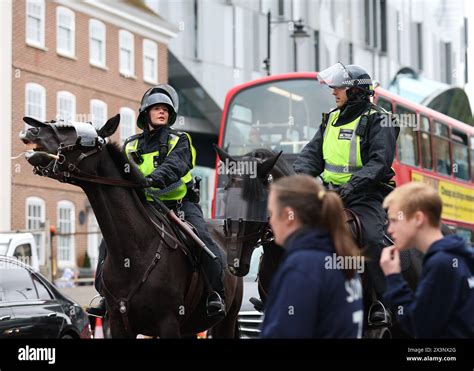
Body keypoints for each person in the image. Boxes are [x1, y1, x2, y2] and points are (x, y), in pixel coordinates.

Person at [87, 84, 226, 318]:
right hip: (144, 208)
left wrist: (150, 179)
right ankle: (104, 296)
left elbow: (176, 165)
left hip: (179, 206)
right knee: (108, 242)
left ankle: (216, 293)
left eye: (165, 109)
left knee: (202, 240)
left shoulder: (180, 140)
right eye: (156, 108)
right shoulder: (130, 144)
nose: (162, 112)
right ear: (146, 114)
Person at [293, 63, 399, 300]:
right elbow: (311, 155)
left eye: (339, 87)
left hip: (367, 196)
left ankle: (384, 301)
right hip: (328, 194)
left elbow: (379, 163)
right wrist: (300, 178)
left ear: (355, 92)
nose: (334, 92)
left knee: (372, 238)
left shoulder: (381, 120)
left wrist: (349, 188)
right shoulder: (330, 119)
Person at [260, 174, 363, 338]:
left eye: (271, 213)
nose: (269, 222)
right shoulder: (340, 255)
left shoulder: (303, 266)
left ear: (288, 215)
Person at [380, 182, 474, 338]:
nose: (389, 229)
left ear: (418, 219)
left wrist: (393, 277)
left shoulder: (440, 263)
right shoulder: (459, 256)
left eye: (395, 220)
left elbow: (418, 326)